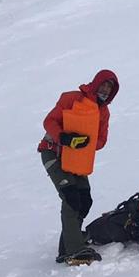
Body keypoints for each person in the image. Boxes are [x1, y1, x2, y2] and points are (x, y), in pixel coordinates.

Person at [38, 69, 119, 263]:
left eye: (110, 88)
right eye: (104, 85)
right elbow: (49, 121)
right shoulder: (72, 99)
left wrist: (84, 139)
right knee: (70, 196)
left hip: (76, 158)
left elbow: (101, 140)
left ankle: (67, 245)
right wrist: (65, 137)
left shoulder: (103, 112)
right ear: (96, 83)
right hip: (53, 153)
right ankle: (74, 250)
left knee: (84, 201)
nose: (106, 90)